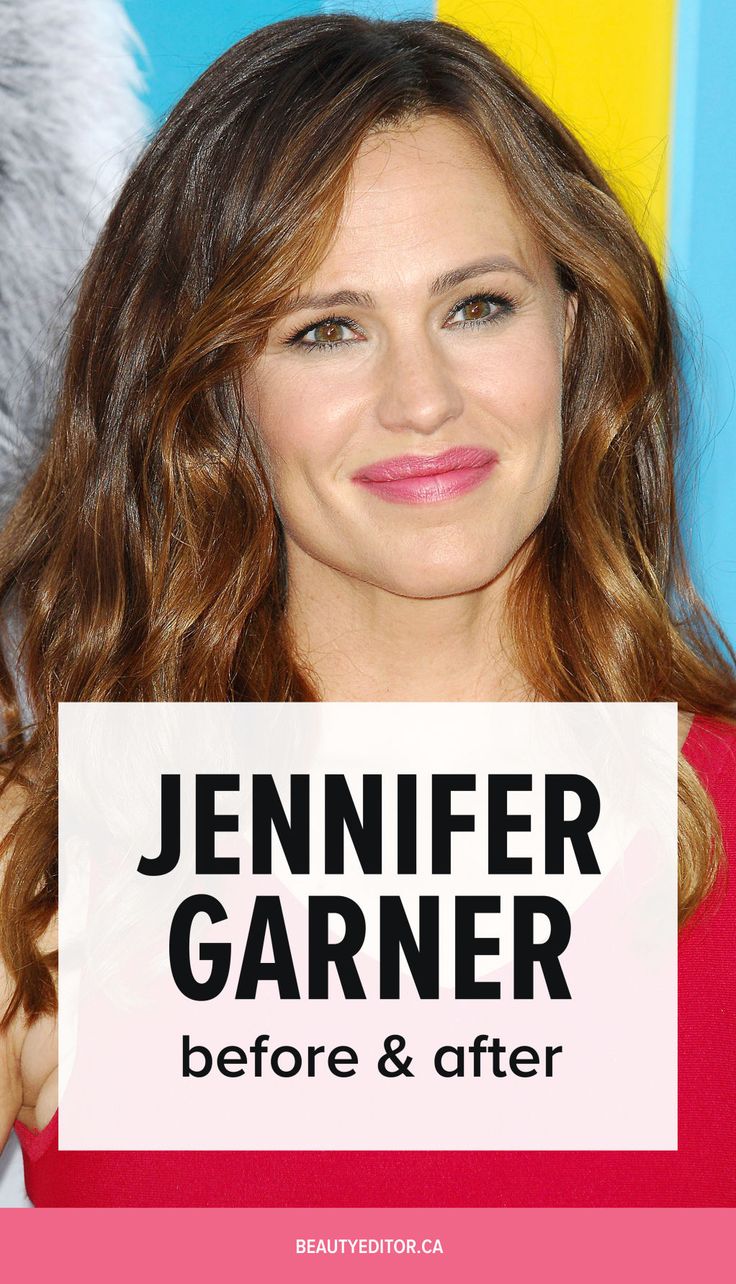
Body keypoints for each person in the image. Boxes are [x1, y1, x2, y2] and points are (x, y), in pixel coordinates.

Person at [0, 13, 734, 1206]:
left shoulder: (720, 812)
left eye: (477, 306)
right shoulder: (56, 849)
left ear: (575, 327)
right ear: (211, 401)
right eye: (325, 330)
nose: (422, 400)